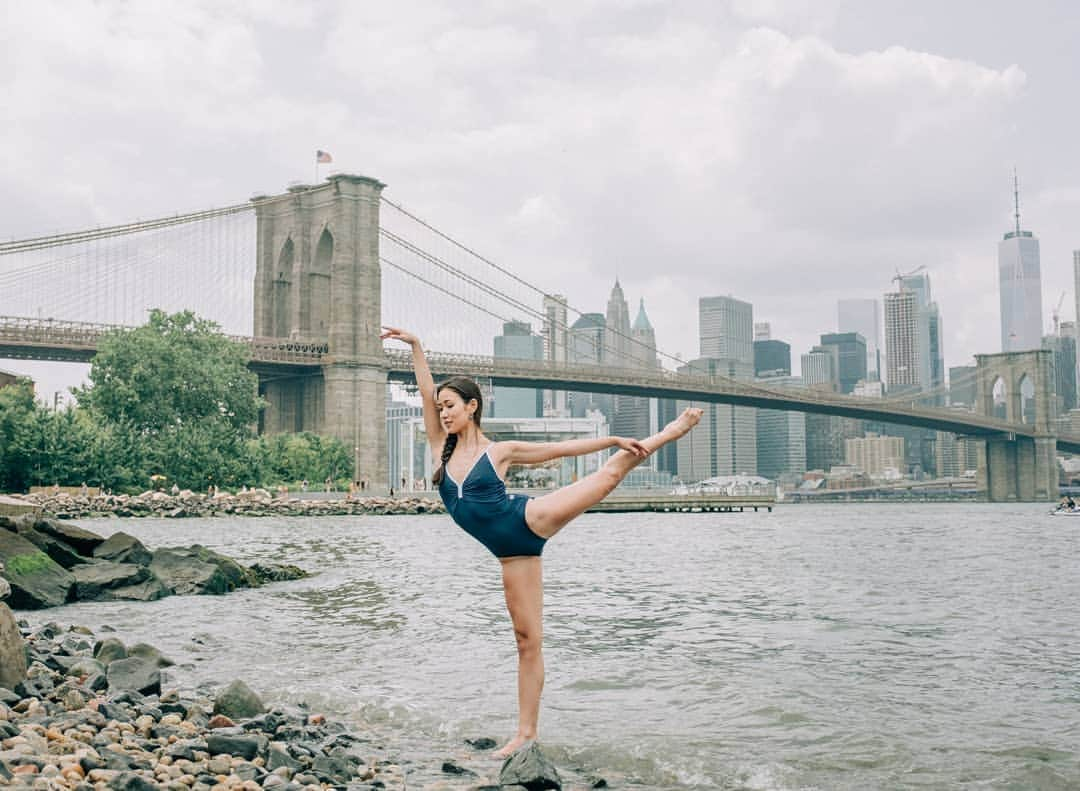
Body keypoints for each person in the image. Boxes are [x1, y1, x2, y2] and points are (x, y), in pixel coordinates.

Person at [381, 326, 702, 759]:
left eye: (451, 406)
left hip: (528, 521)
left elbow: (560, 450)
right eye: (440, 409)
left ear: (472, 407)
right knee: (526, 640)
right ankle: (526, 734)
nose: (442, 414)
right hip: (511, 555)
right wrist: (417, 346)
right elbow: (424, 390)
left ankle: (667, 433)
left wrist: (609, 439)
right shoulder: (441, 444)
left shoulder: (500, 451)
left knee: (606, 476)